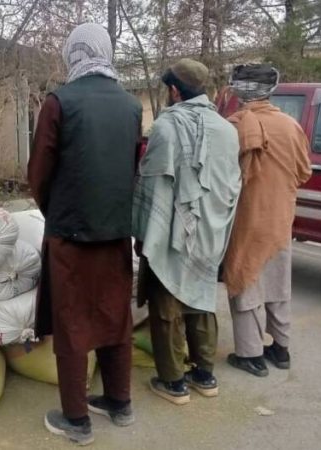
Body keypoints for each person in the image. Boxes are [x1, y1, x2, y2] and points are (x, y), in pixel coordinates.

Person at [28, 23, 142, 446]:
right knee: (115, 315)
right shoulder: (131, 105)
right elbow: (131, 168)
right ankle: (119, 401)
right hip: (115, 233)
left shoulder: (60, 101)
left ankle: (76, 419)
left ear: (73, 52)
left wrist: (55, 212)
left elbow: (38, 173)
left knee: (73, 320)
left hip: (71, 236)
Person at [133, 58, 241, 405]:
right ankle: (205, 375)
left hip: (173, 231)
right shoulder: (227, 130)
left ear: (174, 90)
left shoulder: (167, 127)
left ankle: (173, 381)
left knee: (167, 304)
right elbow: (232, 187)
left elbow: (152, 185)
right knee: (202, 299)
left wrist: (142, 232)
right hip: (212, 230)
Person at [221, 64, 312, 377]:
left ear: (238, 90)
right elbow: (304, 172)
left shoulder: (233, 125)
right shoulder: (290, 126)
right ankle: (281, 349)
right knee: (277, 282)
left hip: (245, 219)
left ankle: (251, 355)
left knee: (244, 279)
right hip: (280, 218)